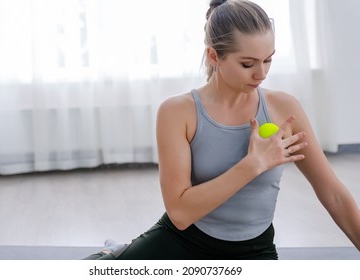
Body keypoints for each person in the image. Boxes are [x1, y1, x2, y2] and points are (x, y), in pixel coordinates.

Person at [85, 0, 360, 260]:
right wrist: (252, 165)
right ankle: (115, 254)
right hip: (181, 240)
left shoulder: (283, 108)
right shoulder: (177, 112)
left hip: (254, 250)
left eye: (269, 60)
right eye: (248, 64)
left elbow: (333, 194)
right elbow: (180, 213)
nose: (261, 74)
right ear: (214, 56)